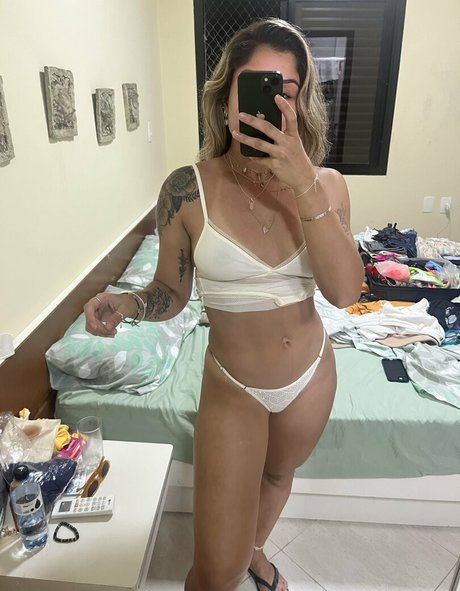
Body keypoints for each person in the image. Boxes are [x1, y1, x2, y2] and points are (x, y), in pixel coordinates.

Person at [84, 17, 363, 591]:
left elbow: (345, 293)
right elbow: (171, 292)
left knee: (278, 476)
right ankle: (238, 561)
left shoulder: (329, 185)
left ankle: (256, 551)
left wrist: (303, 181)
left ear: (300, 101)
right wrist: (128, 303)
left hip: (311, 376)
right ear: (226, 96)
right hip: (234, 386)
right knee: (213, 572)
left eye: (286, 89)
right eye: (255, 86)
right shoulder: (186, 189)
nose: (270, 103)